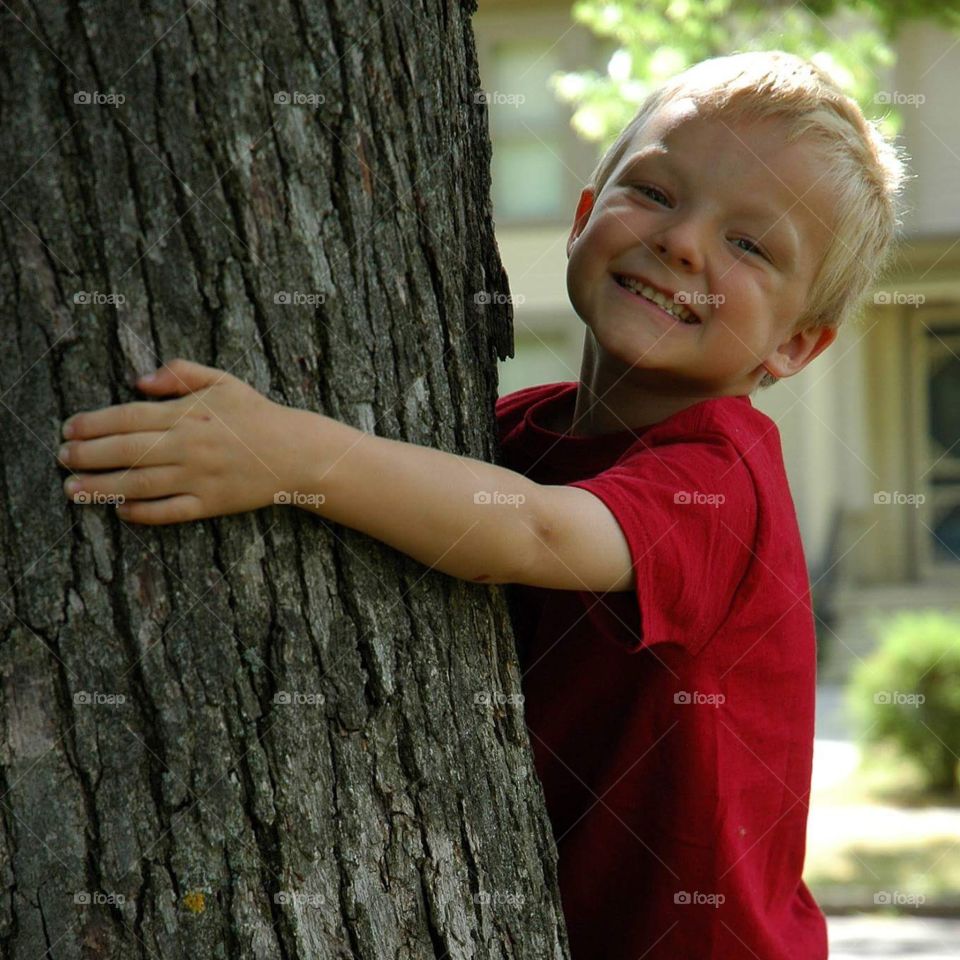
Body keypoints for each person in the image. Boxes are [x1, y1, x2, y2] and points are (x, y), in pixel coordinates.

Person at [56, 49, 908, 959]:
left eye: (749, 244)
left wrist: (287, 453)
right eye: (656, 192)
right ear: (585, 216)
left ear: (796, 347)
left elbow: (529, 531)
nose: (684, 241)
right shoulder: (514, 434)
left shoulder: (719, 478)